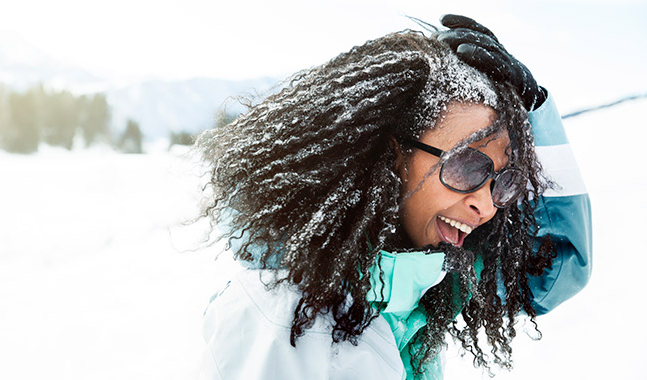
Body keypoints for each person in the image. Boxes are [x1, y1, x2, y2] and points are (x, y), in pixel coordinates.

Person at [195, 14, 592, 380]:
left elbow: (552, 268)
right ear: (391, 153)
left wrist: (536, 110)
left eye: (505, 182)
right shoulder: (295, 331)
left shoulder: (409, 286)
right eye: (468, 166)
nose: (486, 206)